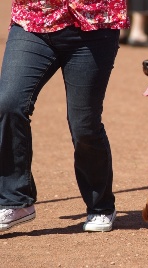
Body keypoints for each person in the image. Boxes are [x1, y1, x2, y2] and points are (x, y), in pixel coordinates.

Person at [0, 0, 129, 232]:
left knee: (84, 124)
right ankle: (15, 200)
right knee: (8, 103)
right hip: (32, 20)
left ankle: (101, 206)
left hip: (94, 23)